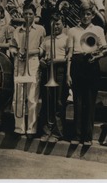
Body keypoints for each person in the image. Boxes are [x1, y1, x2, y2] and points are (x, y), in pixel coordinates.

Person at [66, 3, 107, 146]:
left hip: (91, 65)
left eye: (88, 14)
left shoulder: (98, 29)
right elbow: (70, 54)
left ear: (93, 15)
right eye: (83, 14)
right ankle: (77, 135)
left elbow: (105, 50)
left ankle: (88, 137)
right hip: (77, 65)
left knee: (90, 102)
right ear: (79, 15)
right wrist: (68, 74)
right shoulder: (72, 31)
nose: (85, 17)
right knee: (78, 102)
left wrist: (96, 57)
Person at [10, 3, 46, 139]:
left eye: (30, 14)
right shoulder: (17, 30)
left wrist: (31, 52)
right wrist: (15, 52)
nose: (28, 16)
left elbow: (43, 48)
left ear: (34, 15)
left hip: (32, 64)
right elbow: (12, 46)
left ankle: (31, 129)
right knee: (18, 97)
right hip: (19, 64)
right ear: (22, 14)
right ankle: (19, 128)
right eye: (25, 13)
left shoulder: (40, 29)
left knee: (32, 98)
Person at [39, 13, 69, 143]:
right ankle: (47, 131)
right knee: (47, 101)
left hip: (60, 71)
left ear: (63, 24)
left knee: (59, 101)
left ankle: (58, 132)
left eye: (57, 24)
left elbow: (69, 58)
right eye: (53, 24)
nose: (55, 26)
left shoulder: (67, 39)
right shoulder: (46, 39)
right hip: (47, 71)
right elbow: (41, 52)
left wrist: (56, 61)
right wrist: (41, 60)